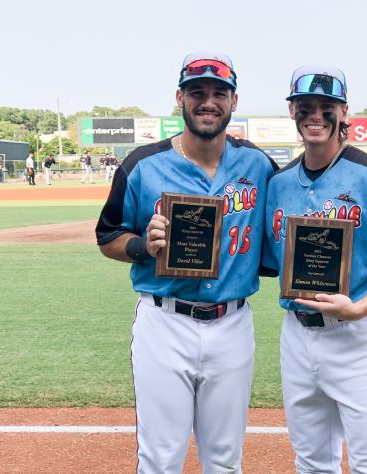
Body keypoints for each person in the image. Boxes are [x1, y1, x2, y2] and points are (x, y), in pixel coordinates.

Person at [95, 51, 277, 474]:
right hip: (164, 323)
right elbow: (108, 236)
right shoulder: (142, 164)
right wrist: (143, 245)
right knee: (159, 458)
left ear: (234, 102)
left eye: (219, 92)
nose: (208, 101)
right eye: (197, 92)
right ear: (180, 98)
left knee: (225, 460)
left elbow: (285, 229)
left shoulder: (258, 165)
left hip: (232, 323)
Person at [263, 66, 367, 473]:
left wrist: (359, 307)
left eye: (327, 107)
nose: (315, 115)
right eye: (305, 107)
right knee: (312, 461)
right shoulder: (279, 183)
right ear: (292, 112)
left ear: (345, 112)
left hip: (358, 335)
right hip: (297, 335)